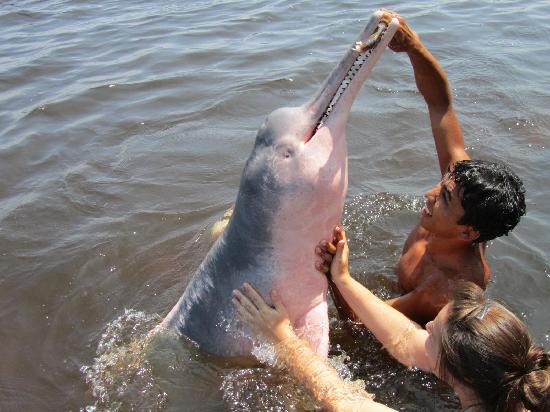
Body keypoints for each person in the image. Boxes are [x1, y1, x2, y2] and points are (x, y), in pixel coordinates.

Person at [325, 10, 526, 324]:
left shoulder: (442, 290)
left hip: (413, 339)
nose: (430, 193)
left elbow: (358, 322)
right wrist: (413, 47)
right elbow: (440, 105)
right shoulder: (461, 185)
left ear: (468, 232)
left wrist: (336, 273)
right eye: (442, 184)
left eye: (443, 199)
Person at [232, 226, 550, 411]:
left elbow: (342, 402)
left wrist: (282, 336)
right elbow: (407, 342)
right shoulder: (519, 380)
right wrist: (342, 278)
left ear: (455, 374)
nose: (424, 327)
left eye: (433, 332)